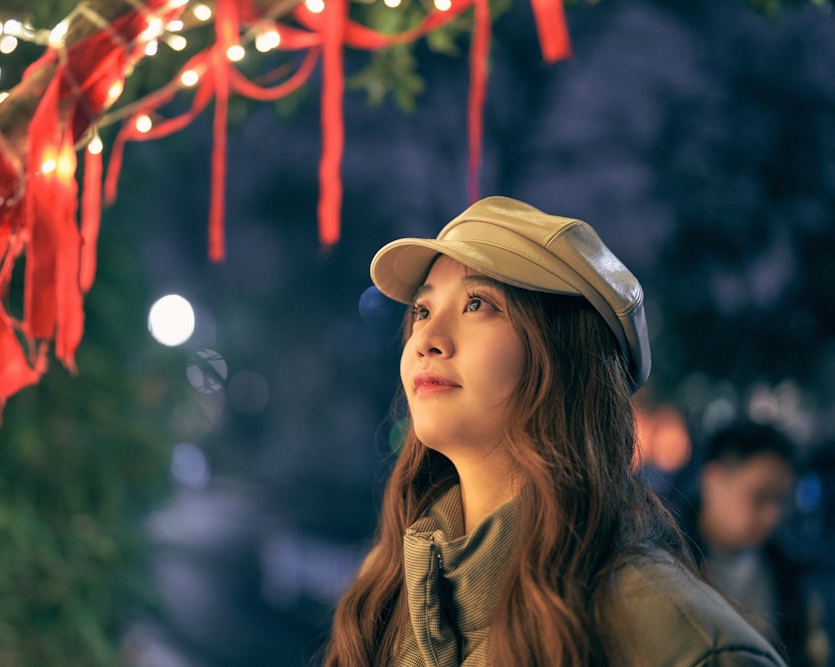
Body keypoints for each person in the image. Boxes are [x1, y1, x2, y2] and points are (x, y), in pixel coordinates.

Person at [322, 196, 784, 665]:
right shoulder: (386, 595)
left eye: (477, 303)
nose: (426, 340)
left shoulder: (689, 648)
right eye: (421, 311)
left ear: (565, 356)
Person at [674, 421, 829, 667]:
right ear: (713, 480)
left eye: (781, 500)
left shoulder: (789, 573)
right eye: (760, 497)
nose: (773, 517)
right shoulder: (666, 557)